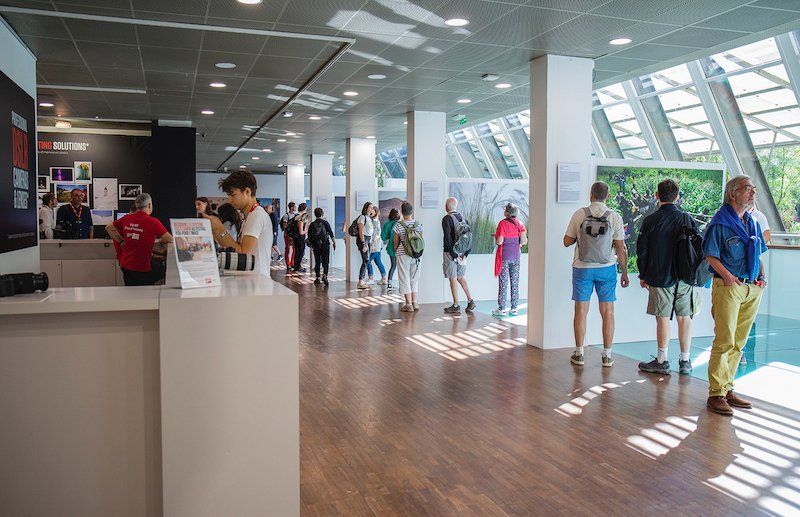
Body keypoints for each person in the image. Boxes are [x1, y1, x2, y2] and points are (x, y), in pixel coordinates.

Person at [703, 175, 768, 416]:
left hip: (752, 287)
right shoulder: (720, 223)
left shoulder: (752, 222)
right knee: (725, 339)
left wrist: (762, 277)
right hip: (729, 287)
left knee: (739, 341)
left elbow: (758, 252)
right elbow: (710, 255)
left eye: (753, 189)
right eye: (747, 189)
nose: (753, 193)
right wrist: (728, 277)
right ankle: (716, 393)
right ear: (733, 194)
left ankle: (728, 387)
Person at [564, 181, 629, 368]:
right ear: (607, 196)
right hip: (607, 268)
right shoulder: (614, 217)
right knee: (608, 312)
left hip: (582, 268)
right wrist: (624, 272)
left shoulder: (579, 214)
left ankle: (579, 353)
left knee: (581, 311)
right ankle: (607, 355)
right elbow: (620, 248)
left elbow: (567, 241)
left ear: (591, 194)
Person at [636, 179, 698, 376]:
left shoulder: (650, 220)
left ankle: (662, 360)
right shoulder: (687, 218)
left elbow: (642, 250)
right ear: (677, 196)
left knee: (663, 318)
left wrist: (643, 274)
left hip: (660, 275)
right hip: (685, 277)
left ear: (657, 195)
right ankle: (685, 361)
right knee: (684, 317)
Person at [205, 169, 274, 276]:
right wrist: (217, 231)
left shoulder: (256, 215)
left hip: (257, 283)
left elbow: (243, 255)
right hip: (253, 281)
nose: (230, 200)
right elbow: (233, 248)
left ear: (247, 191)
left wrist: (220, 229)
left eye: (233, 195)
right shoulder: (250, 216)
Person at [106, 193, 173, 286]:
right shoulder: (153, 221)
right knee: (144, 294)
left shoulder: (127, 218)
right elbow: (170, 239)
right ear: (149, 205)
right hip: (141, 267)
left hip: (126, 265)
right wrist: (161, 240)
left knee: (130, 293)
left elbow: (109, 228)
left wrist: (122, 242)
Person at [492, 203, 527, 317]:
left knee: (503, 282)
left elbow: (500, 241)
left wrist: (496, 236)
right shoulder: (520, 224)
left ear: (507, 212)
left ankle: (501, 309)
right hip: (516, 257)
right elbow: (523, 241)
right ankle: (514, 308)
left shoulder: (502, 223)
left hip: (504, 257)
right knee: (515, 282)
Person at [442, 197, 475, 315]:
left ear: (446, 207)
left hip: (451, 253)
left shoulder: (446, 219)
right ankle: (470, 300)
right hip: (463, 253)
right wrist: (465, 254)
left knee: (452, 277)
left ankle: (456, 305)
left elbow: (448, 238)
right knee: (460, 277)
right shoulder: (464, 218)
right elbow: (469, 236)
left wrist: (453, 254)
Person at [394, 201, 422, 312]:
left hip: (403, 254)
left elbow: (396, 242)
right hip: (416, 255)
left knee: (404, 278)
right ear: (412, 211)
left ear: (402, 212)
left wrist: (396, 250)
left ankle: (408, 304)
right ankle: (415, 303)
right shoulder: (418, 224)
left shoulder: (399, 225)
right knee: (414, 278)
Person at [307, 207, 336, 285]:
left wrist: (312, 245)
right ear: (322, 214)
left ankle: (317, 277)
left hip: (316, 245)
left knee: (317, 261)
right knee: (325, 261)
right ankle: (325, 276)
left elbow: (309, 236)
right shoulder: (325, 223)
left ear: (315, 214)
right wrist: (334, 242)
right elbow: (330, 233)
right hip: (325, 244)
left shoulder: (312, 224)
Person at [367, 205, 387, 285]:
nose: (371, 211)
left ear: (376, 212)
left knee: (367, 261)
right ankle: (384, 278)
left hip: (375, 245)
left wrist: (373, 246)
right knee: (378, 261)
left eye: (373, 210)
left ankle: (371, 278)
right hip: (378, 245)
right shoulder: (375, 220)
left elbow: (375, 235)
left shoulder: (374, 221)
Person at [381, 208, 401, 291]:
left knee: (393, 266)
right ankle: (403, 285)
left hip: (391, 249)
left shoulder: (387, 224)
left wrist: (390, 237)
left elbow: (383, 237)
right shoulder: (400, 224)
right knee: (401, 267)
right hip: (400, 249)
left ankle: (389, 284)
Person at [356, 202, 373, 290]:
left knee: (366, 260)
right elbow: (360, 231)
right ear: (366, 208)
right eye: (370, 207)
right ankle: (360, 281)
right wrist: (363, 244)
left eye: (372, 207)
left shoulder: (369, 218)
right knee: (366, 260)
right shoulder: (362, 217)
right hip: (364, 240)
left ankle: (361, 281)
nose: (371, 209)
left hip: (368, 241)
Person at [292, 203, 310, 273]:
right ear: (305, 209)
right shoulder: (301, 218)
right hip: (300, 237)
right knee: (301, 252)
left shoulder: (296, 216)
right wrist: (306, 230)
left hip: (295, 237)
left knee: (297, 252)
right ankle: (297, 267)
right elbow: (301, 232)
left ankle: (296, 266)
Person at [280, 202, 297, 269]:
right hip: (287, 235)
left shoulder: (295, 215)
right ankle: (288, 264)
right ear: (292, 207)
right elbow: (284, 226)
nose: (295, 208)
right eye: (294, 207)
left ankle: (292, 263)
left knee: (294, 249)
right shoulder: (286, 215)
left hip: (293, 236)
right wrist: (288, 235)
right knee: (287, 250)